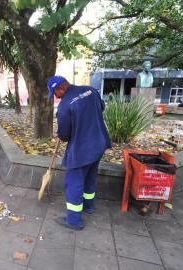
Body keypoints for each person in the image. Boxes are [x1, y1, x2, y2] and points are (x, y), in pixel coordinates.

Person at [47, 75, 111, 230]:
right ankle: (88, 206)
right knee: (90, 176)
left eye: (55, 93)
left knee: (74, 183)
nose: (55, 97)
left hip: (82, 149)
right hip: (99, 144)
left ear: (61, 87)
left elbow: (64, 136)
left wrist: (63, 130)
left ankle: (74, 220)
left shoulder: (64, 106)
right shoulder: (90, 90)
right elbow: (101, 107)